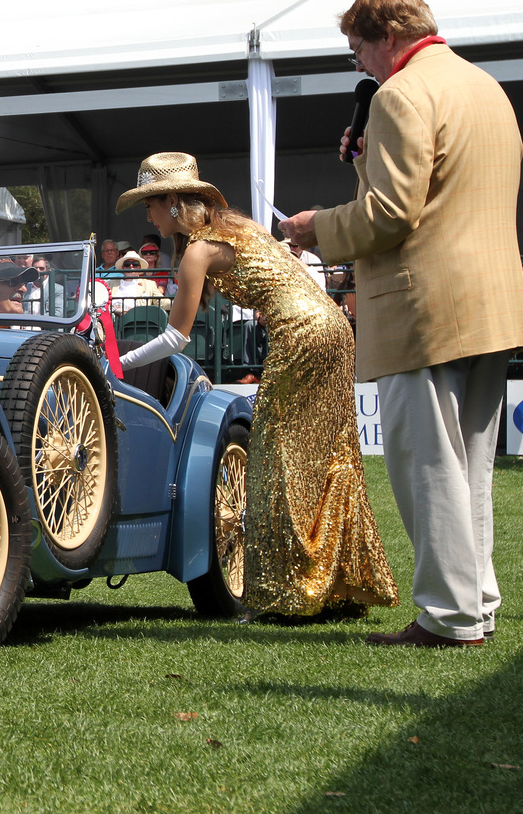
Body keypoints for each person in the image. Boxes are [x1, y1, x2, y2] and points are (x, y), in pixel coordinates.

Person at [280, 0, 523, 647]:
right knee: (470, 467)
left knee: (428, 466)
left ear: (387, 37)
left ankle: (448, 619)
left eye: (357, 48)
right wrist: (368, 162)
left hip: (425, 306)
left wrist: (315, 227)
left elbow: (393, 215)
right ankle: (471, 607)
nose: (357, 62)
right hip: (490, 304)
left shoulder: (400, 96)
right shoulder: (484, 88)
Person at [120, 151, 397, 619]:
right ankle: (336, 587)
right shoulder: (238, 227)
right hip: (334, 326)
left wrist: (119, 362)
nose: (146, 216)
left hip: (302, 335)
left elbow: (175, 337)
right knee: (331, 453)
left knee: (273, 454)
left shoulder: (198, 250)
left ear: (170, 202)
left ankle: (295, 594)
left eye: (149, 204)